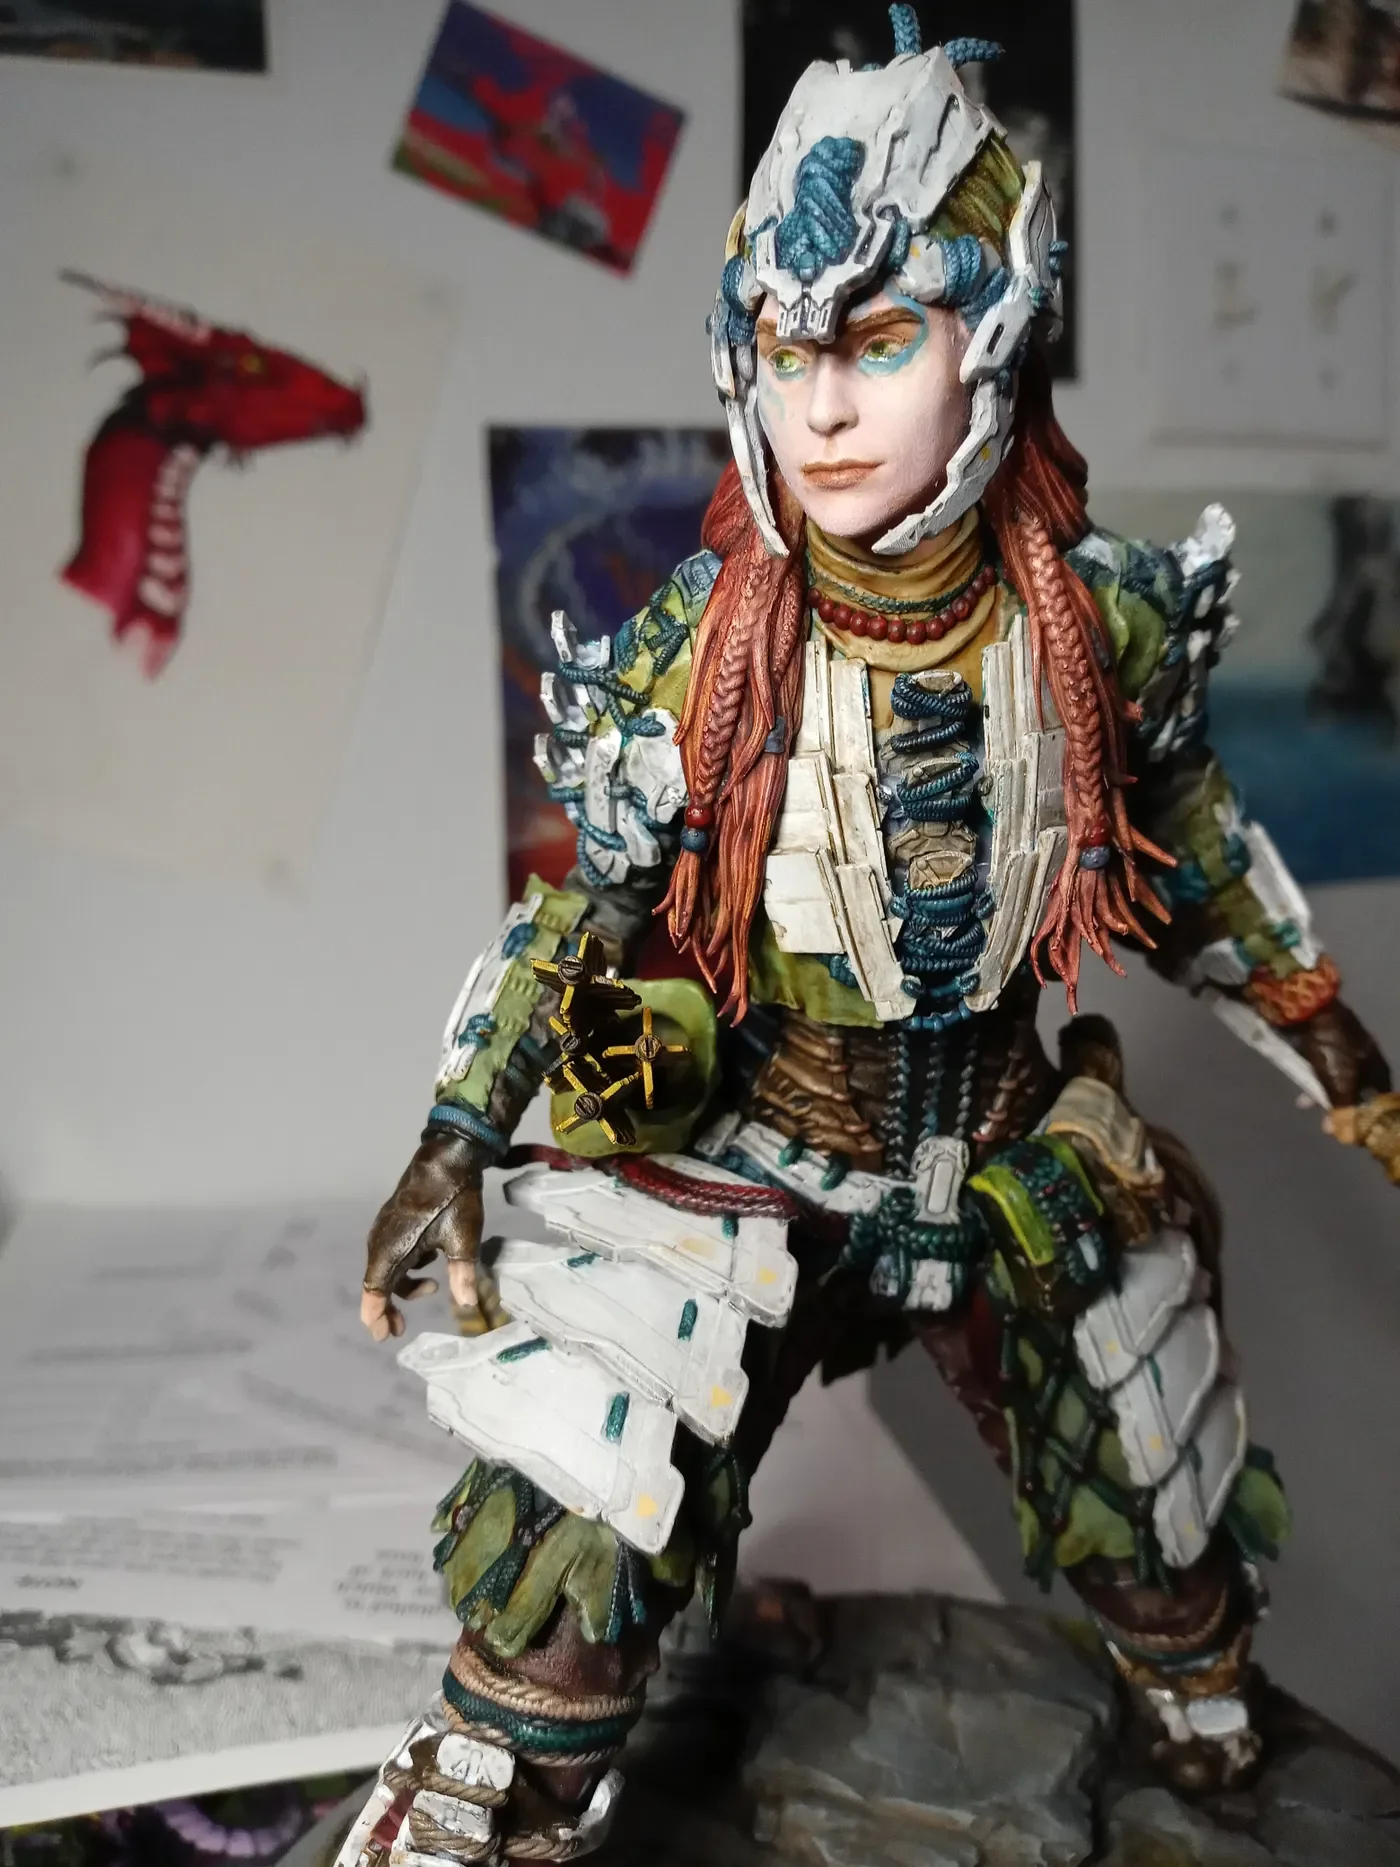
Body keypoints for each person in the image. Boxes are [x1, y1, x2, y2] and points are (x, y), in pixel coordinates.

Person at [339, 12, 1400, 1862]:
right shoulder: (705, 644)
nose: (821, 406)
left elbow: (1191, 853)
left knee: (1160, 1508)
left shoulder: (1101, 626)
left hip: (1004, 1146)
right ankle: (494, 1783)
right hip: (765, 1150)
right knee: (583, 1510)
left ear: (995, 338)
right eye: (784, 347)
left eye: (878, 340)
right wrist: (458, 1132)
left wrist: (1331, 1043)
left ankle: (1198, 1701)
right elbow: (584, 905)